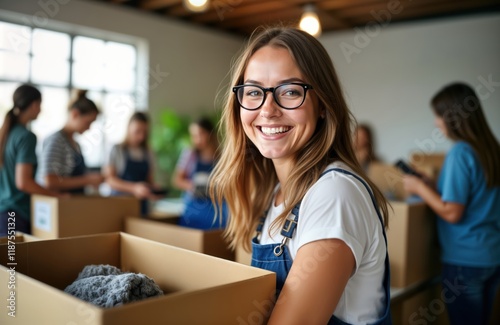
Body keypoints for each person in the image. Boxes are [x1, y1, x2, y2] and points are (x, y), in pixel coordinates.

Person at [210, 27, 391, 324]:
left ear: (322, 104)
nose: (268, 110)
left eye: (290, 91)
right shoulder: (273, 193)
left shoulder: (334, 194)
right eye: (254, 92)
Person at [403, 82, 500, 325]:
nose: (436, 122)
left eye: (438, 115)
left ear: (452, 117)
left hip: (464, 261)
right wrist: (433, 185)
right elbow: (474, 196)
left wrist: (420, 188)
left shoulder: (460, 153)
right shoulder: (490, 149)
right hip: (491, 255)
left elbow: (453, 212)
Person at [0, 84, 59, 236]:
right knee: (13, 259)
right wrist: (54, 195)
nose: (40, 110)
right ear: (34, 105)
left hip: (3, 212)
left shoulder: (5, 134)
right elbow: (23, 182)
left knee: (7, 259)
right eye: (40, 105)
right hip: (14, 214)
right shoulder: (26, 137)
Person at [37, 90, 103, 194]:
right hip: (59, 205)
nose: (89, 128)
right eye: (88, 122)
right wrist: (87, 180)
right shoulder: (56, 141)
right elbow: (49, 181)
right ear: (75, 114)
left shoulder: (76, 145)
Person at [173, 117, 228, 230]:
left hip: (215, 208)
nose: (196, 139)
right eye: (193, 135)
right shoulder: (190, 154)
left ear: (210, 134)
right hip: (193, 206)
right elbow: (177, 180)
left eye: (200, 134)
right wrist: (193, 186)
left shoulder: (222, 156)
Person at [104, 112, 160, 215]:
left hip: (141, 207)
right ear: (129, 128)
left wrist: (154, 190)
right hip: (119, 205)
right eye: (137, 131)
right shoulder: (117, 150)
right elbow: (109, 180)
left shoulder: (148, 152)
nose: (141, 137)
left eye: (144, 132)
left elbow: (150, 180)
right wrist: (134, 188)